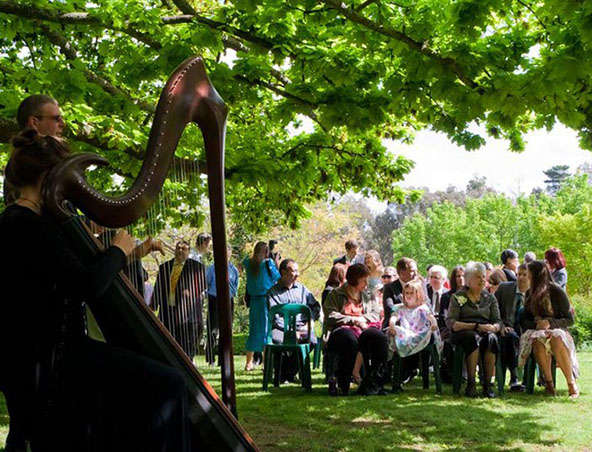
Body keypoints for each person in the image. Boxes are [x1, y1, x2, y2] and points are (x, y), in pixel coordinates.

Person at [0, 130, 189, 451]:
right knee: (169, 383)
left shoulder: (15, 221)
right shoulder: (30, 226)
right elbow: (86, 286)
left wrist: (116, 253)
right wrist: (118, 250)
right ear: (51, 178)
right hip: (56, 362)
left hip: (38, 357)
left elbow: (70, 273)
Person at [518, 260, 579, 398]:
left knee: (556, 338)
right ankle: (549, 385)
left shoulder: (556, 291)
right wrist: (537, 325)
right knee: (538, 341)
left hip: (558, 330)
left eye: (528, 274)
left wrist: (549, 322)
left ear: (536, 275)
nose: (526, 277)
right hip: (537, 332)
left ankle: (571, 384)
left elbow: (570, 320)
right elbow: (524, 321)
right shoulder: (529, 293)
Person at [323, 264, 386, 396]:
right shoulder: (336, 294)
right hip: (341, 330)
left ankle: (373, 383)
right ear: (355, 279)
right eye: (364, 280)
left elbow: (376, 313)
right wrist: (353, 320)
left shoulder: (368, 295)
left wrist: (362, 319)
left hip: (364, 328)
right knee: (348, 339)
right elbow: (330, 315)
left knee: (378, 337)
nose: (366, 283)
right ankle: (343, 384)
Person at [447, 262, 503, 398]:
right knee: (473, 338)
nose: (482, 280)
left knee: (491, 339)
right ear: (468, 280)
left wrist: (494, 327)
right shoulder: (458, 297)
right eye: (478, 277)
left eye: (484, 277)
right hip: (464, 331)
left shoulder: (490, 298)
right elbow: (452, 322)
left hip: (485, 330)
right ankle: (471, 383)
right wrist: (474, 326)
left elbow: (498, 320)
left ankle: (487, 384)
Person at [266, 259, 321, 381]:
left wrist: (310, 321)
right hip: (281, 329)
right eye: (294, 271)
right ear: (283, 272)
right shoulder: (272, 293)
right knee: (278, 341)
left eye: (297, 270)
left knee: (311, 340)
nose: (297, 274)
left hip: (302, 328)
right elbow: (276, 317)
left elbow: (315, 307)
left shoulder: (303, 290)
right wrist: (290, 332)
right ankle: (285, 373)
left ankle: (287, 371)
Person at [151, 240, 206, 359]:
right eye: (178, 248)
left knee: (186, 348)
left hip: (188, 313)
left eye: (184, 249)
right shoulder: (164, 267)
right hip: (167, 312)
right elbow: (158, 288)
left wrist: (191, 292)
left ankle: (187, 370)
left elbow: (202, 285)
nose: (180, 251)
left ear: (188, 251)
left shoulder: (196, 267)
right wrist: (152, 306)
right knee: (168, 345)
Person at [243, 241, 280, 371]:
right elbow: (277, 277)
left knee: (253, 330)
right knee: (266, 330)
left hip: (254, 301)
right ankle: (265, 363)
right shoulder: (268, 264)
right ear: (266, 252)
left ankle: (249, 362)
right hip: (265, 300)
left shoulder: (248, 263)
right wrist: (275, 261)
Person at [495, 263, 529, 391]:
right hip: (506, 329)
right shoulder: (504, 289)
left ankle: (526, 379)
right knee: (508, 337)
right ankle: (515, 378)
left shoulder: (534, 293)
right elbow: (494, 311)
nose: (521, 278)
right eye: (519, 274)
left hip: (527, 331)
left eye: (525, 275)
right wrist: (501, 325)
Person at [388, 279, 442, 362]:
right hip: (406, 333)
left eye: (411, 293)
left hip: (419, 333)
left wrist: (434, 324)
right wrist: (392, 326)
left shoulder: (422, 308)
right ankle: (395, 358)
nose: (408, 295)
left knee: (427, 333)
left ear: (418, 295)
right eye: (407, 293)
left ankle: (419, 361)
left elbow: (431, 317)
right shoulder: (401, 308)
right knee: (394, 331)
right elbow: (394, 317)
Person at [204, 246, 239, 366]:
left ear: (230, 255)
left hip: (228, 300)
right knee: (212, 329)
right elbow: (207, 283)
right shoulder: (211, 269)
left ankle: (223, 360)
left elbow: (235, 285)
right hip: (214, 298)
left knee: (226, 330)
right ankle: (211, 359)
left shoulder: (234, 270)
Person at [439, 265, 465, 383]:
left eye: (463, 276)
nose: (461, 278)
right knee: (449, 340)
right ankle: (450, 372)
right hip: (449, 328)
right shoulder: (446, 296)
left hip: (465, 327)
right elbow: (443, 316)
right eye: (458, 276)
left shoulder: (470, 295)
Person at [382, 257, 421, 329]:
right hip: (396, 325)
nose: (416, 274)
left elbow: (426, 305)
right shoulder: (389, 288)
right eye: (412, 271)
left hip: (417, 325)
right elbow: (389, 308)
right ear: (402, 273)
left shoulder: (420, 286)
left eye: (416, 271)